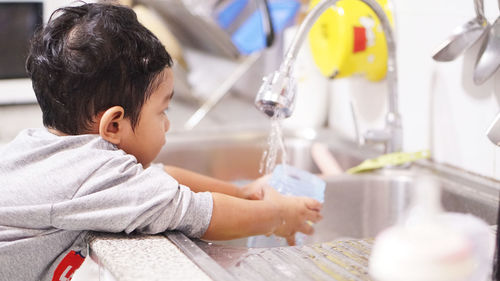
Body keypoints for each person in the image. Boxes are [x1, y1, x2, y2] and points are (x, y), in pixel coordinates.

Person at [0, 3, 322, 281]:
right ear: (113, 124)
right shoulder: (90, 174)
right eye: (162, 110)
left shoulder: (46, 148)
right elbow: (197, 213)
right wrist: (276, 216)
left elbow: (162, 179)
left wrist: (243, 193)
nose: (168, 123)